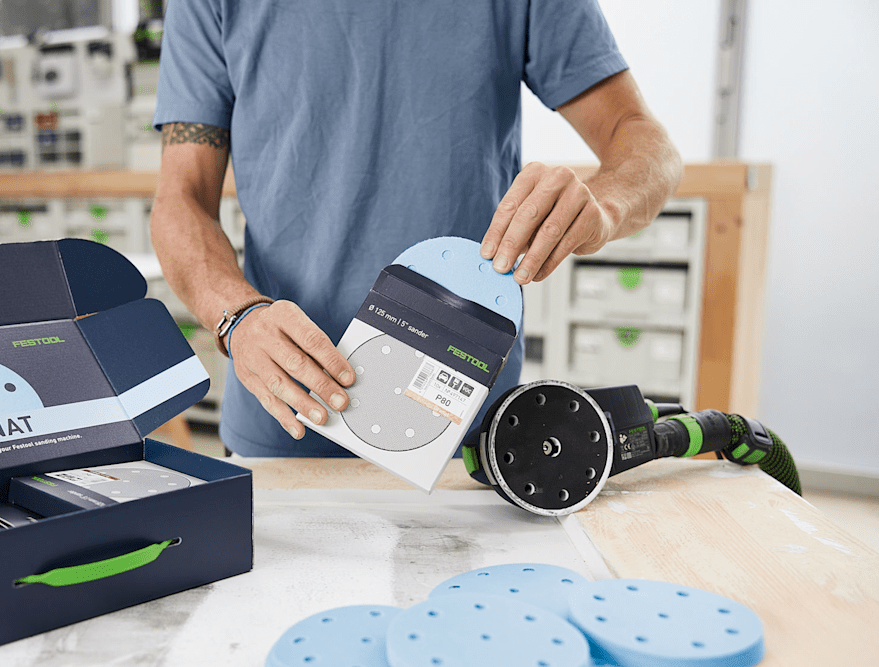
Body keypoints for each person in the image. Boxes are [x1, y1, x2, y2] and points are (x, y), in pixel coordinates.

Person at [150, 1, 681, 458]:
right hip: (286, 426)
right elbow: (181, 199)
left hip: (468, 433)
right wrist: (236, 315)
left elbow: (639, 135)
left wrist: (605, 206)